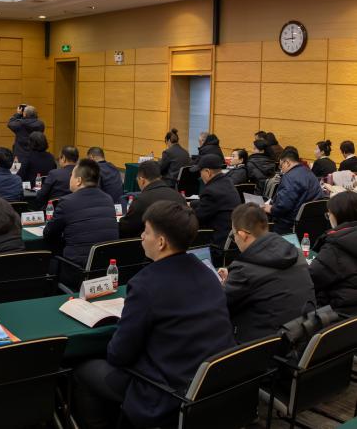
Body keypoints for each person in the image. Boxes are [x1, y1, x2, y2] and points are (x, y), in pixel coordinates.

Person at [72, 201, 234, 429]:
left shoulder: (145, 284)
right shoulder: (208, 274)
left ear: (161, 242)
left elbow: (119, 355)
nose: (141, 236)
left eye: (146, 231)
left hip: (165, 394)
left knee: (82, 370)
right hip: (212, 386)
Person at [221, 204, 314, 343]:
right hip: (304, 334)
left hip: (268, 345)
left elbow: (220, 304)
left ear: (242, 235)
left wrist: (224, 283)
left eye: (233, 235)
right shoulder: (297, 252)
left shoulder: (243, 270)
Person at [44, 159, 119, 271]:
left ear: (78, 180)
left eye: (71, 176)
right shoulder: (108, 199)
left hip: (76, 268)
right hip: (105, 267)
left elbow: (49, 233)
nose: (70, 178)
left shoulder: (66, 202)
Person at [310, 192, 357, 315]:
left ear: (338, 215)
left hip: (341, 313)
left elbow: (311, 279)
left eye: (329, 214)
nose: (329, 217)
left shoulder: (335, 247)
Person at [265, 146, 324, 235]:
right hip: (310, 224)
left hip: (289, 226)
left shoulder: (289, 177)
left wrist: (270, 208)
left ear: (287, 162)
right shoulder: (309, 173)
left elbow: (282, 207)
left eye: (281, 166)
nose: (281, 170)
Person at [118, 160, 184, 238]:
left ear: (142, 180)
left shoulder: (141, 200)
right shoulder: (178, 196)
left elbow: (125, 229)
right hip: (178, 241)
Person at [194, 154, 240, 262]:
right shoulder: (227, 182)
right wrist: (192, 204)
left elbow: (197, 218)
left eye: (200, 172)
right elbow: (214, 203)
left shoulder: (210, 191)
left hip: (216, 245)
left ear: (208, 172)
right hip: (232, 241)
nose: (200, 175)